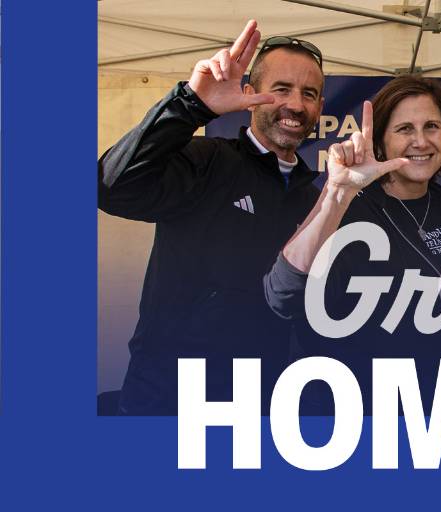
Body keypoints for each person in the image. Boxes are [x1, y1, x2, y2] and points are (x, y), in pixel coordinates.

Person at [99, 20, 325, 415]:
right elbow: (112, 188)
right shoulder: (208, 161)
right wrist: (190, 105)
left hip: (262, 405)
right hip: (170, 399)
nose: (296, 104)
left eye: (309, 94)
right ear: (250, 93)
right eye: (282, 89)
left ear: (320, 107)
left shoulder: (314, 196)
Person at [263, 76, 441, 414]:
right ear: (380, 142)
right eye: (404, 129)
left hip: (440, 410)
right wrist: (338, 193)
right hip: (365, 417)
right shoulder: (349, 209)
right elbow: (282, 295)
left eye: (432, 126)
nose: (421, 140)